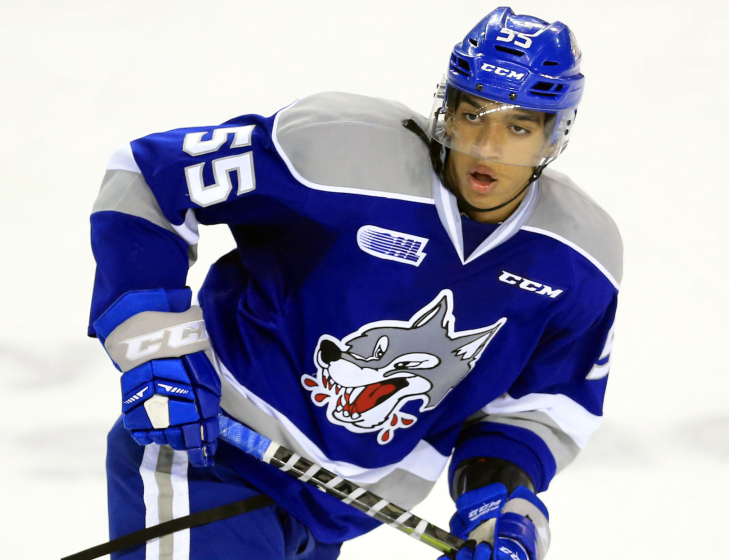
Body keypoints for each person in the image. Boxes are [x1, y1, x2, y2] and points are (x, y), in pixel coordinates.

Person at [88, 7, 621, 560]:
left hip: (331, 519)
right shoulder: (337, 153)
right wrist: (155, 345)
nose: (487, 146)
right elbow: (147, 177)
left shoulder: (578, 258)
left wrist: (499, 508)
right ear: (447, 109)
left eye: (517, 126)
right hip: (210, 454)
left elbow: (538, 406)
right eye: (473, 115)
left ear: (553, 134)